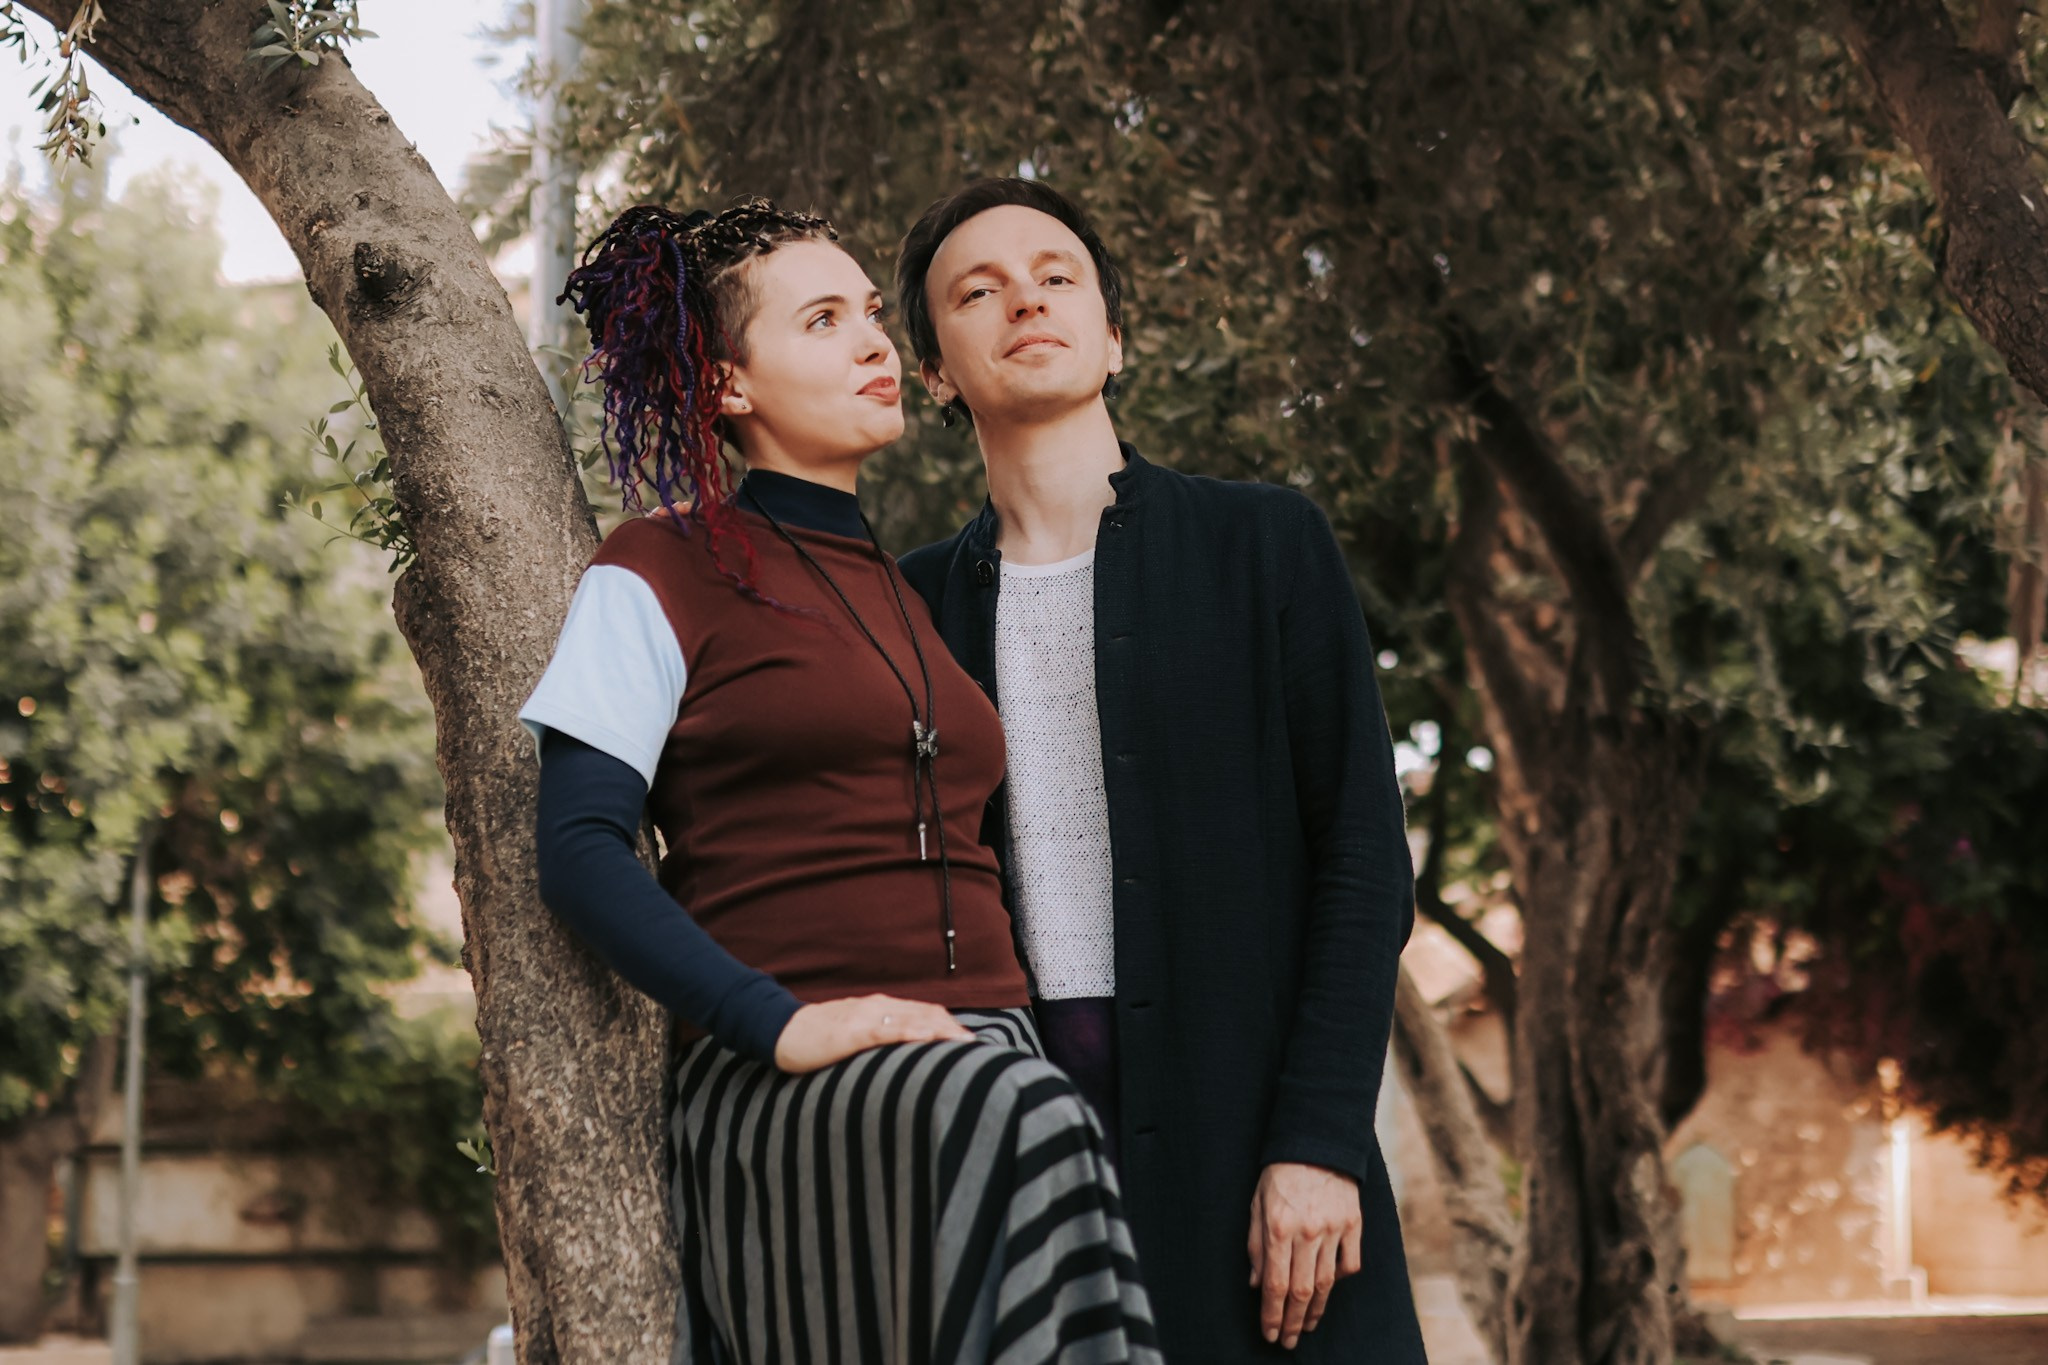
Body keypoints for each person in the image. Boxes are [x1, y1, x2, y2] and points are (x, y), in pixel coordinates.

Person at [519, 199, 1159, 1365]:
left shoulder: (907, 591)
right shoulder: (655, 566)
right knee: (1030, 1126)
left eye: (870, 312)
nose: (873, 342)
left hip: (990, 1059)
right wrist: (779, 1023)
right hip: (801, 1074)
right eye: (822, 321)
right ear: (727, 385)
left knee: (1035, 1137)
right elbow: (575, 851)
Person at [895, 180, 1426, 1363]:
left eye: (1056, 276)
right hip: (1021, 1154)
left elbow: (1360, 860)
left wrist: (1319, 1142)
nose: (1024, 300)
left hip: (1253, 1137)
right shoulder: (911, 604)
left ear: (1114, 336)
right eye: (977, 291)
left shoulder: (1263, 544)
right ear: (932, 372)